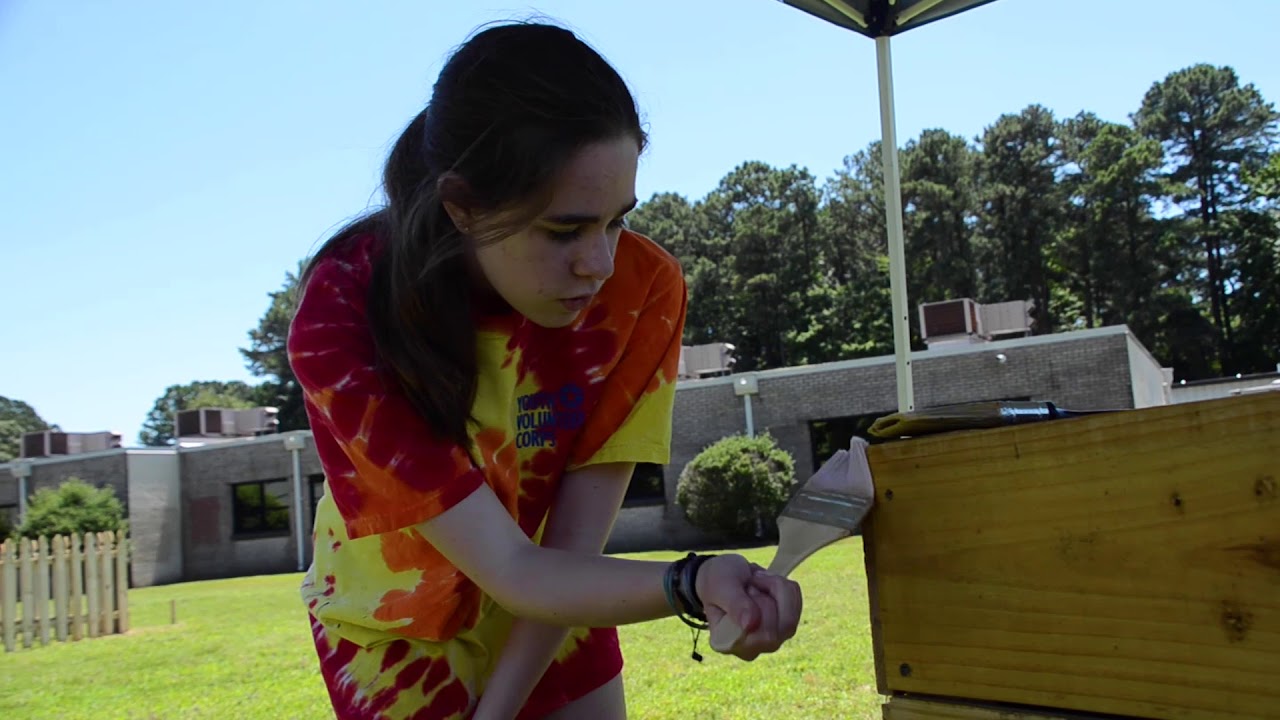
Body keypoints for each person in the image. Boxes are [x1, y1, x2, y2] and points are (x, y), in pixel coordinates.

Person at [288, 20, 804, 720]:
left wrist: (698, 582)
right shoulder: (346, 310)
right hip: (393, 628)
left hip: (561, 596)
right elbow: (509, 568)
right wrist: (690, 582)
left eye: (618, 220)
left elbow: (564, 552)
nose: (600, 265)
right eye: (564, 231)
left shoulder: (644, 293)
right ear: (464, 206)